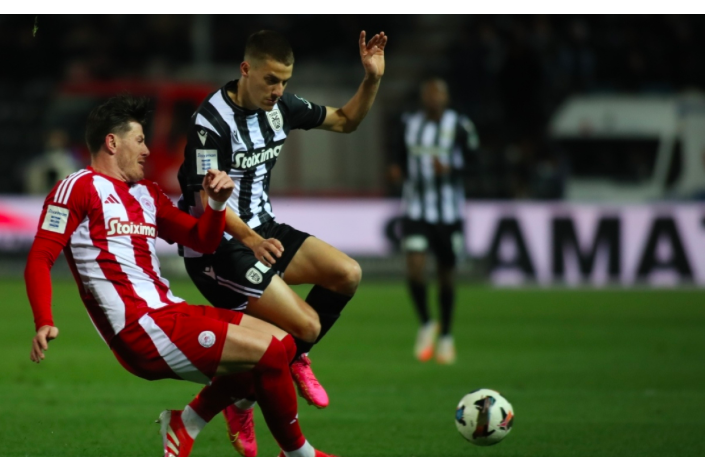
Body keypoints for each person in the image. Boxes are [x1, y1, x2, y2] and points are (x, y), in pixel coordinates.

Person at [24, 95, 337, 457]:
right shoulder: (78, 188)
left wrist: (216, 204)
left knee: (285, 345)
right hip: (140, 328)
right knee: (267, 353)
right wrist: (44, 320)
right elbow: (40, 257)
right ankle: (300, 455)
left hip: (168, 310)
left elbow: (202, 240)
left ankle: (186, 423)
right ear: (112, 142)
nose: (146, 150)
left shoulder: (147, 194)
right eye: (139, 140)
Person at [176, 29, 387, 457]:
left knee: (347, 274)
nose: (278, 90)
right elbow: (204, 201)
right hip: (218, 245)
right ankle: (269, 379)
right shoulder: (210, 122)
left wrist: (372, 79)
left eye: (285, 81)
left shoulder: (281, 108)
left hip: (263, 230)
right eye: (271, 80)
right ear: (245, 69)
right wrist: (252, 239)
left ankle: (249, 392)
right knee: (306, 326)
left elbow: (346, 121)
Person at [387, 77, 479, 364]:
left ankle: (447, 334)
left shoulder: (460, 125)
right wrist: (396, 168)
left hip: (449, 214)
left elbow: (476, 162)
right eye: (429, 94)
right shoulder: (409, 124)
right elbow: (397, 154)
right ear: (422, 98)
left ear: (446, 98)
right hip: (415, 209)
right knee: (414, 267)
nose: (433, 98)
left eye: (438, 94)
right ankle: (427, 322)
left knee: (446, 274)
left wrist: (451, 170)